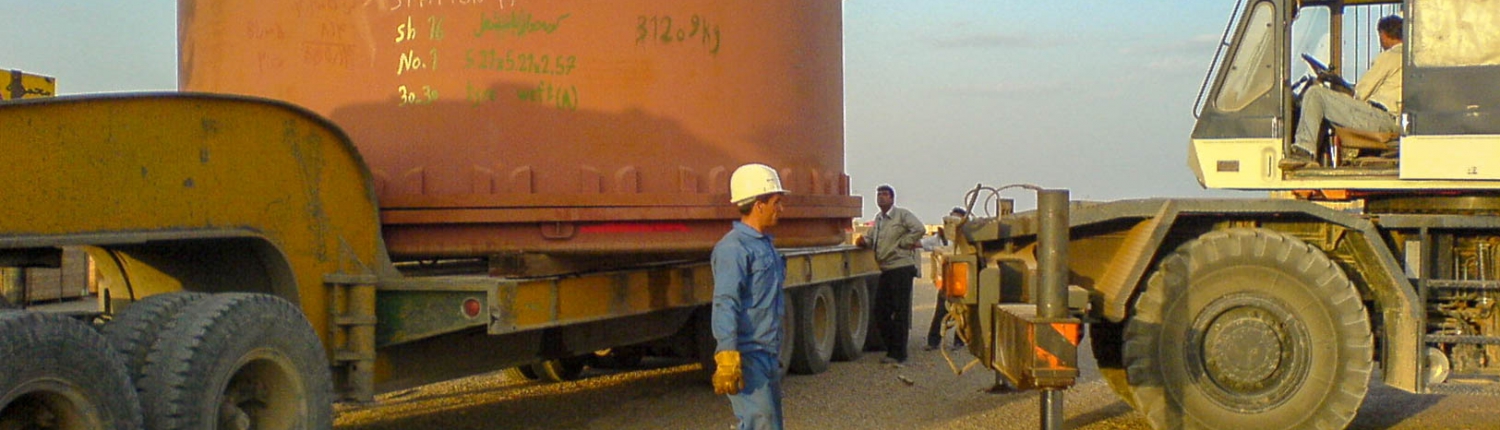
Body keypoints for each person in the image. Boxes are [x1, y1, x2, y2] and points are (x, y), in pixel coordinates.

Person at [711, 163, 790, 430]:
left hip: (767, 351)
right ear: (759, 204)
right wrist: (727, 353)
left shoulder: (764, 245)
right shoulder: (733, 248)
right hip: (747, 355)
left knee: (770, 423)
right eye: (776, 202)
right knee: (760, 424)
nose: (781, 209)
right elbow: (726, 301)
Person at [1281, 15, 1404, 170]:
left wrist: (1340, 90)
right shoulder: (1407, 58)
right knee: (1325, 103)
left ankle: (1304, 150)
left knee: (1315, 94)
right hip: (1391, 119)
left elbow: (1361, 92)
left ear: (1384, 35)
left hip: (1381, 118)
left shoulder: (1391, 56)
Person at [856, 184, 925, 364]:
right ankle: (892, 347)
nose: (881, 198)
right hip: (886, 269)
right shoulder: (878, 220)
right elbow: (872, 238)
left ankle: (899, 354)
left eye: (885, 195)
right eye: (879, 194)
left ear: (892, 198)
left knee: (900, 311)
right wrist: (863, 241)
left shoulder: (902, 215)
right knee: (881, 311)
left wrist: (905, 243)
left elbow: (919, 229)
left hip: (901, 268)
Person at [924, 207, 967, 352]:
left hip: (963, 280)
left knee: (963, 313)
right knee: (941, 312)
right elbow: (926, 244)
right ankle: (933, 341)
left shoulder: (968, 238)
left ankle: (959, 341)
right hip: (946, 281)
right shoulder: (942, 238)